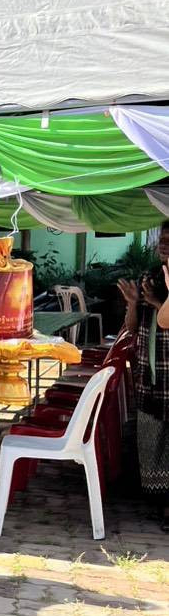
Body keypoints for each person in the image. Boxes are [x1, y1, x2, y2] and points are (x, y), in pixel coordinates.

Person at [120, 220, 169, 527]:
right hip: (150, 370)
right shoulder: (150, 277)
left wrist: (158, 303)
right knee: (153, 438)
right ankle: (160, 501)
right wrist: (133, 304)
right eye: (162, 239)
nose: (163, 244)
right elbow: (132, 328)